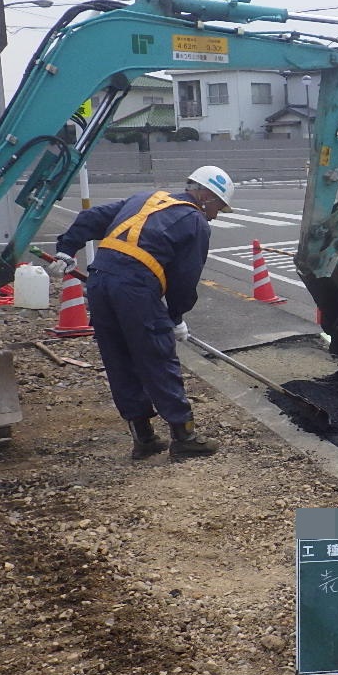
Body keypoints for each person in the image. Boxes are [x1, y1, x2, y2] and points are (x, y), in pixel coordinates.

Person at [51, 165, 234, 459]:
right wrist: (175, 317)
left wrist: (66, 249)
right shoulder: (195, 221)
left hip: (100, 282)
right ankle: (184, 437)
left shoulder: (146, 198)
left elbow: (91, 217)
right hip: (134, 288)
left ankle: (144, 438)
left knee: (119, 359)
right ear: (206, 196)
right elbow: (185, 278)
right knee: (157, 357)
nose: (215, 215)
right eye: (219, 208)